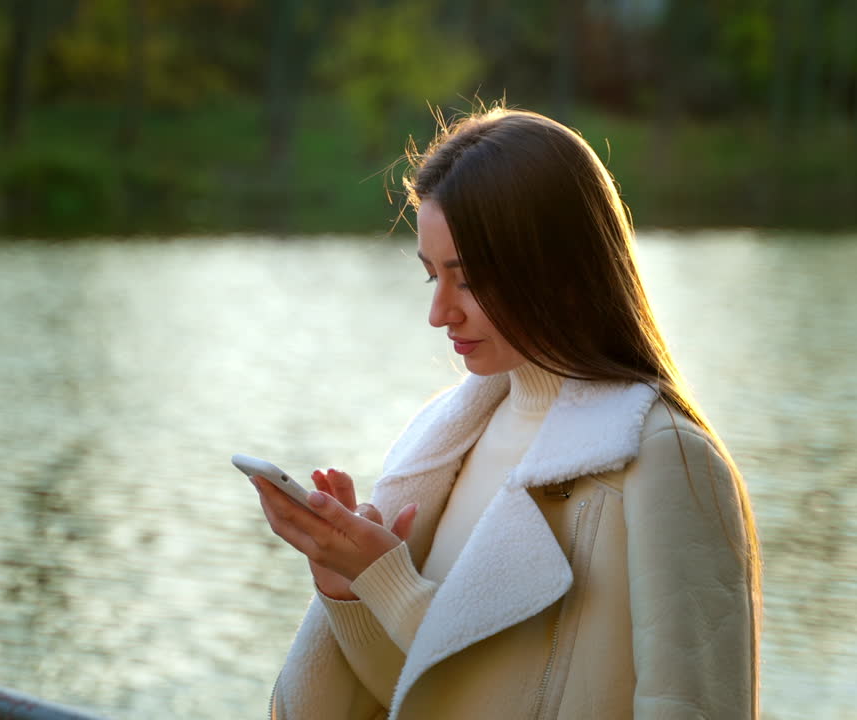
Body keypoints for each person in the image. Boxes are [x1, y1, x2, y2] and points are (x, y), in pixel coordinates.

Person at [249, 107, 761, 719]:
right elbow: (425, 698)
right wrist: (351, 588)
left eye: (468, 280)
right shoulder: (446, 440)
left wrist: (392, 585)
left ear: (562, 269)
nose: (439, 314)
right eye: (431, 275)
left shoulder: (664, 460)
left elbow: (696, 707)